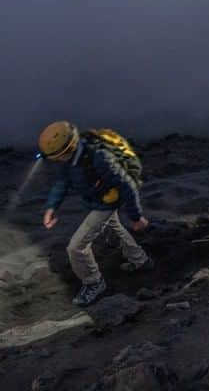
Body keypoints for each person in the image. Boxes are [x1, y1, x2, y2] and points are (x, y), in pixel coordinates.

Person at [39, 121, 150, 307]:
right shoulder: (70, 159)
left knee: (76, 247)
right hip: (97, 199)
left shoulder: (99, 157)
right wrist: (52, 207)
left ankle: (94, 283)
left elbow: (127, 185)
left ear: (69, 148)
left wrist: (136, 217)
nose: (56, 161)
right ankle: (141, 261)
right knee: (114, 228)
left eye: (57, 156)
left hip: (106, 203)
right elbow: (63, 182)